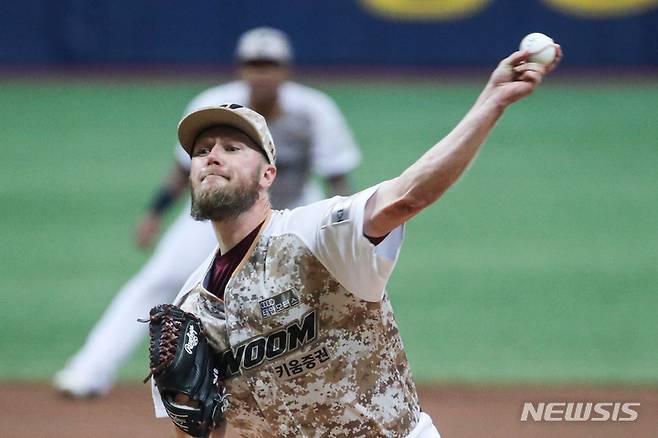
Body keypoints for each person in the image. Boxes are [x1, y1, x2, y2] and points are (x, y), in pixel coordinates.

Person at [152, 45, 562, 437]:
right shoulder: (192, 307)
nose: (212, 156)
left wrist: (491, 102)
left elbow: (408, 195)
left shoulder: (313, 235)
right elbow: (200, 427)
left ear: (268, 175)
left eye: (232, 147)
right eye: (202, 150)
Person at [53, 27, 361, 397]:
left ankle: (335, 384)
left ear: (286, 70)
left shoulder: (314, 110)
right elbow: (183, 171)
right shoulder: (213, 104)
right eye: (254, 64)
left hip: (290, 213)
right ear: (240, 68)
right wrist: (154, 213)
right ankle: (90, 370)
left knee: (308, 299)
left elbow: (337, 177)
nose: (262, 72)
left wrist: (343, 230)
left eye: (270, 64)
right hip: (217, 211)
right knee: (159, 282)